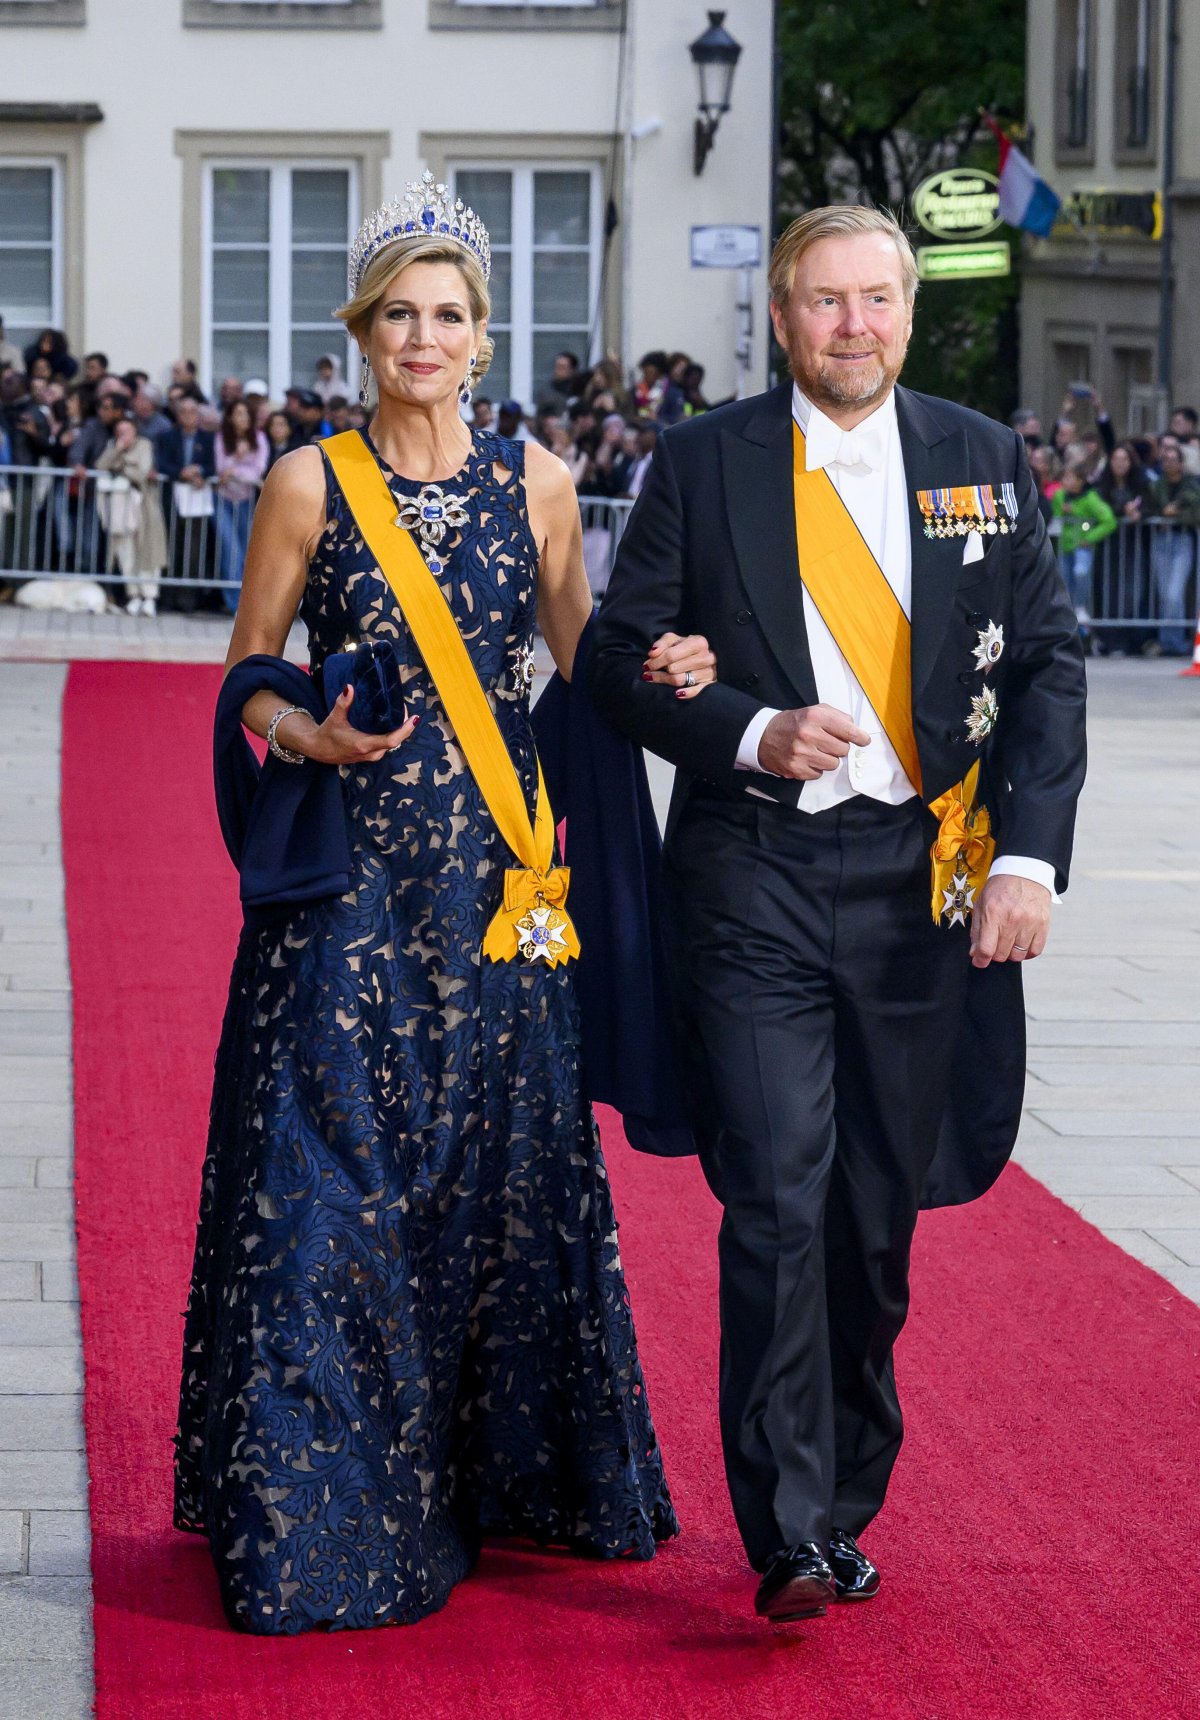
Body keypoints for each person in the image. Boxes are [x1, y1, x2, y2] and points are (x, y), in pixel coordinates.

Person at [173, 173, 708, 1635]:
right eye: (399, 314)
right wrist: (310, 732)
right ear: (365, 332)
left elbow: (581, 659)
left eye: (449, 314)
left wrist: (666, 669)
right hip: (344, 889)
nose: (424, 336)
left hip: (497, 886)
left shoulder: (537, 482)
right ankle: (322, 1509)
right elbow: (248, 674)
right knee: (326, 1175)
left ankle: (490, 1482)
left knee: (491, 1168)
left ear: (485, 334)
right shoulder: (306, 481)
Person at [592, 204, 1086, 1624]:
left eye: (876, 299)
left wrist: (1030, 864)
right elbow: (623, 661)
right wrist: (745, 730)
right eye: (825, 301)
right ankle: (789, 1531)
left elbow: (1046, 669)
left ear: (910, 312)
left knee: (876, 1215)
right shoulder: (699, 462)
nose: (852, 325)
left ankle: (848, 1491)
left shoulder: (982, 461)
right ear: (784, 315)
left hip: (924, 889)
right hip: (753, 879)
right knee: (777, 1194)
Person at [95, 410, 168, 614]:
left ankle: (149, 596)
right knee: (125, 553)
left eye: (126, 431)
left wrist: (120, 466)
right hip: (121, 509)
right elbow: (101, 465)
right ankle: (133, 594)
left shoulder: (145, 445)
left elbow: (142, 472)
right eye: (119, 431)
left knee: (148, 552)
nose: (123, 435)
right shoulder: (113, 446)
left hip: (143, 507)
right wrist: (117, 452)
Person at [157, 395, 217, 612]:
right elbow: (161, 463)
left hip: (197, 500)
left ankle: (188, 599)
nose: (188, 417)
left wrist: (200, 472)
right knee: (172, 547)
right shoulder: (167, 436)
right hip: (173, 499)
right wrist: (180, 472)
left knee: (194, 550)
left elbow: (212, 466)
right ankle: (169, 598)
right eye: (183, 412)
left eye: (193, 412)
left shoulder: (208, 438)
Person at [1051, 459, 1117, 647]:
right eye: (1065, 477)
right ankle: (1071, 624)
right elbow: (1055, 517)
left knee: (1081, 572)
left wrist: (1089, 538)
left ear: (1081, 480)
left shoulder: (1090, 498)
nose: (1067, 481)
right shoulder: (1059, 496)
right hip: (1065, 548)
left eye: (1071, 478)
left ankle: (1080, 606)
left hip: (1082, 547)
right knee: (1065, 583)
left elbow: (1109, 520)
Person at [1096, 441, 1153, 654]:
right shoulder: (1102, 485)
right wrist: (1122, 510)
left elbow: (1151, 505)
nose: (1120, 464)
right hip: (1109, 547)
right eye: (1116, 459)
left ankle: (1133, 642)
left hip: (1133, 547)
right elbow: (1099, 508)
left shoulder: (1141, 484)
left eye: (1124, 459)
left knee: (1133, 593)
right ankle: (1112, 641)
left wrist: (1140, 514)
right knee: (1109, 593)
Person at [1146, 434, 1200, 655]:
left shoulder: (1192, 484)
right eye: (1165, 459)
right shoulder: (1157, 485)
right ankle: (1167, 640)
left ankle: (1175, 641)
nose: (1169, 463)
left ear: (1181, 462)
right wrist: (1164, 512)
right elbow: (1151, 507)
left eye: (1173, 459)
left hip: (1182, 539)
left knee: (1174, 593)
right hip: (1161, 541)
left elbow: (1194, 510)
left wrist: (1175, 512)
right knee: (1164, 593)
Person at [214, 398, 268, 614]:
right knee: (231, 550)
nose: (242, 418)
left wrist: (235, 472)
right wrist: (238, 456)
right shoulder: (221, 438)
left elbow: (258, 471)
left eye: (245, 414)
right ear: (230, 417)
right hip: (224, 500)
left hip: (247, 501)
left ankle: (248, 603)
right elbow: (221, 470)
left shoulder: (260, 438)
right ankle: (233, 602)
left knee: (248, 552)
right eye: (237, 413)